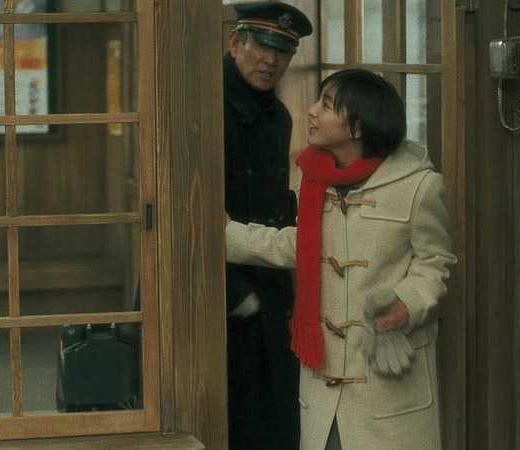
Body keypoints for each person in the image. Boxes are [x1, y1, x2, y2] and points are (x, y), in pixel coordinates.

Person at [225, 69, 456, 449]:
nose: (312, 110)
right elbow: (301, 246)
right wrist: (226, 234)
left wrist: (407, 305)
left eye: (327, 105)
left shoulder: (419, 185)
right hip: (323, 386)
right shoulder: (313, 178)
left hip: (387, 384)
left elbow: (435, 262)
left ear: (357, 128)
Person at [222, 2, 312, 449]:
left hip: (268, 289)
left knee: (275, 419)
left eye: (283, 51)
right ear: (235, 42)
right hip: (212, 289)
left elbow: (275, 207)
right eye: (261, 45)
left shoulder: (279, 115)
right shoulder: (202, 106)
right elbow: (183, 215)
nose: (271, 60)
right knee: (224, 420)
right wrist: (235, 294)